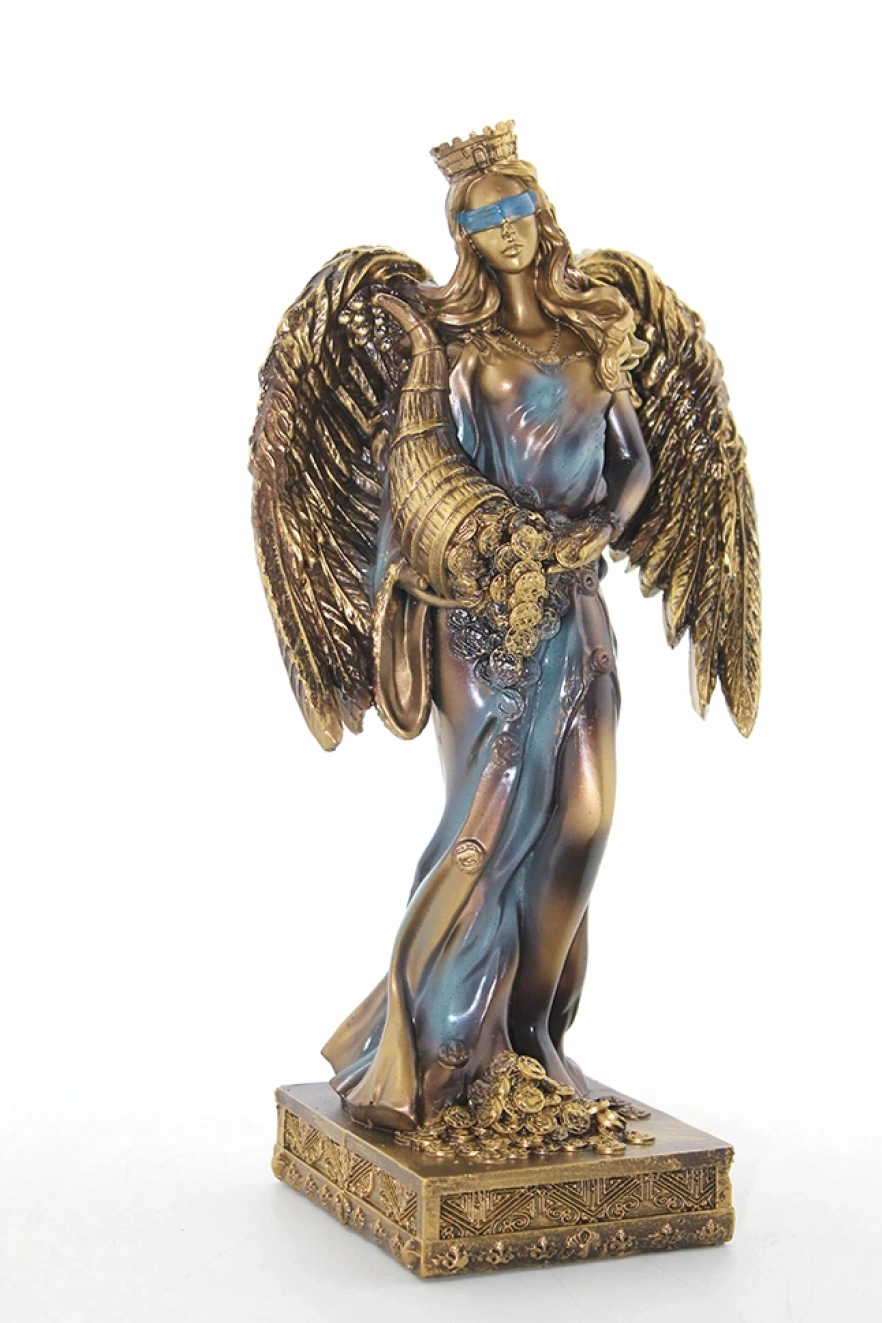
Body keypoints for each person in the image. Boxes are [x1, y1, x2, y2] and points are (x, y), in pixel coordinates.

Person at [320, 157, 653, 1131]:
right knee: (493, 819)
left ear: (541, 216)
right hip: (485, 618)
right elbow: (420, 495)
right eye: (483, 219)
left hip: (577, 603)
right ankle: (449, 1050)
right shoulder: (459, 360)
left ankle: (537, 1029)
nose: (507, 229)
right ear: (464, 239)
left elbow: (631, 462)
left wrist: (601, 527)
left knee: (582, 817)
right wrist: (485, 553)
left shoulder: (592, 337)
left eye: (518, 209)